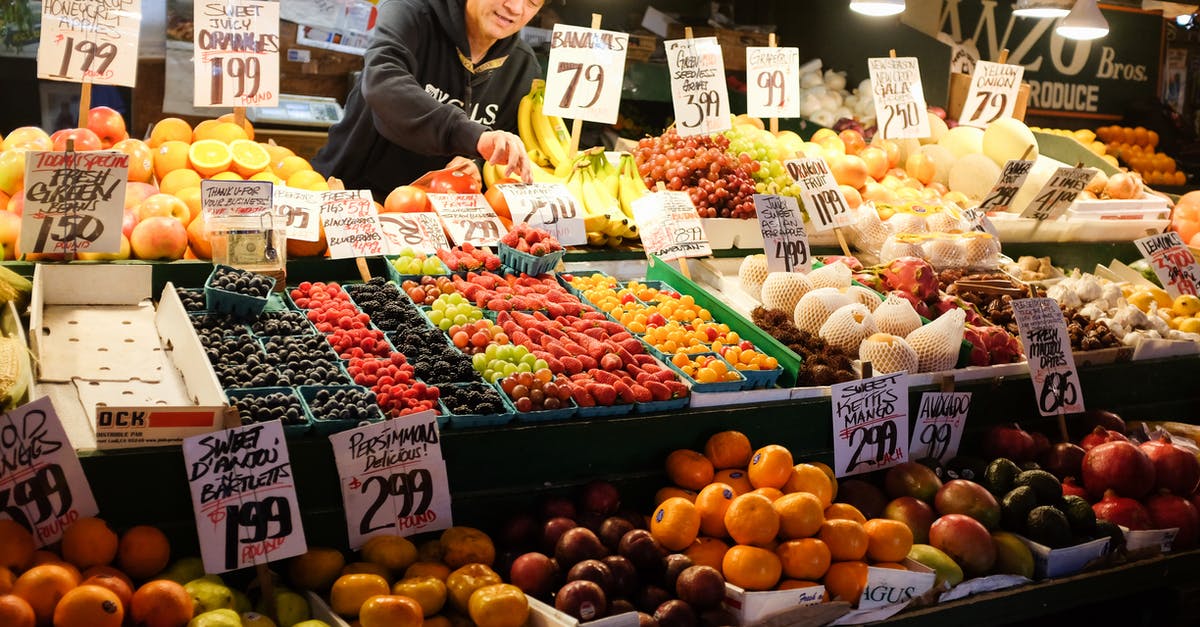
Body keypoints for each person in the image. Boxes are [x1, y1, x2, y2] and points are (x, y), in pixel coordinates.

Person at [313, 0, 543, 201]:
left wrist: (478, 164)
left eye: (533, 1)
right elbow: (384, 82)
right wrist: (474, 137)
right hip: (350, 194)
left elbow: (510, 141)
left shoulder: (523, 67)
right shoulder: (409, 13)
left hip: (435, 221)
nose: (515, 7)